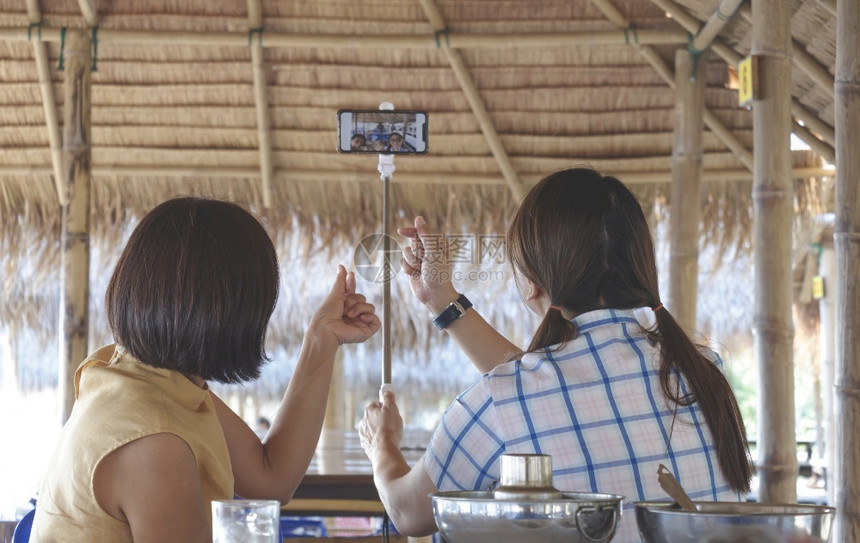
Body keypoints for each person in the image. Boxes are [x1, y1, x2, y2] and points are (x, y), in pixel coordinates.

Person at [359, 168, 753, 542]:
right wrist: (441, 299)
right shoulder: (704, 371)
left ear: (531, 283)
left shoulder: (503, 399)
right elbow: (553, 392)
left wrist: (382, 444)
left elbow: (409, 513)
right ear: (640, 267)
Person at [32, 197, 380, 543]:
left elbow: (271, 478)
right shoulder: (156, 443)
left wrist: (321, 339)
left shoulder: (131, 375)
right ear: (233, 313)